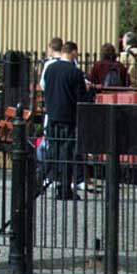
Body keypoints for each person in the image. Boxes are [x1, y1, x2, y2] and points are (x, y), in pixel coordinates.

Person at [42, 48, 87, 199]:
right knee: (67, 154)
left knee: (53, 151)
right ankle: (64, 187)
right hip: (68, 118)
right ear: (73, 52)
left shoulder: (50, 69)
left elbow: (46, 90)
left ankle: (40, 180)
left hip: (52, 115)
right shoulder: (75, 72)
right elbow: (81, 98)